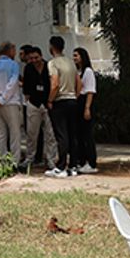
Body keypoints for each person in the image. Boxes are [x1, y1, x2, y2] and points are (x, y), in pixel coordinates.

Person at [21, 45, 60, 174]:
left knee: (50, 134)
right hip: (33, 103)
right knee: (31, 134)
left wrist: (50, 100)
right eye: (32, 58)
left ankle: (51, 159)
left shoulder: (49, 66)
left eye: (36, 57)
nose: (34, 60)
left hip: (47, 103)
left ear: (41, 56)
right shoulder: (28, 68)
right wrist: (28, 101)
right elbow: (26, 87)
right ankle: (29, 158)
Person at [47, 36, 82, 177]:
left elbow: (55, 84)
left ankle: (61, 166)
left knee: (61, 135)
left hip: (60, 101)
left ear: (51, 47)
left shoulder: (53, 63)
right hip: (72, 100)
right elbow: (79, 83)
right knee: (72, 134)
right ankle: (73, 166)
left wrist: (50, 100)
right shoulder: (71, 62)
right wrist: (75, 96)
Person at [0, 42, 24, 166]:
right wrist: (2, 99)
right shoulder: (13, 65)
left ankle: (1, 161)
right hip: (10, 102)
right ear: (10, 51)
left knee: (0, 133)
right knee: (14, 133)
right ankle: (14, 161)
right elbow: (12, 83)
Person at [72, 47, 98, 175]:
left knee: (87, 134)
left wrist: (87, 108)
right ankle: (81, 160)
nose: (74, 58)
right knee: (79, 134)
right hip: (77, 103)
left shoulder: (88, 72)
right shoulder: (77, 71)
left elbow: (90, 91)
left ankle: (91, 162)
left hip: (84, 102)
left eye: (76, 55)